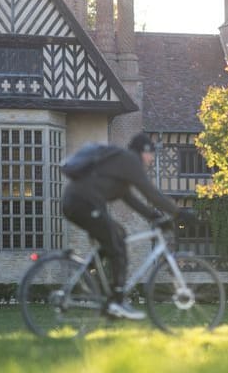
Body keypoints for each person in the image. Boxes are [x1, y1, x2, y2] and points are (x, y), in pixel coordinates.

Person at [61, 133, 183, 320]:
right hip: (82, 204)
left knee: (119, 234)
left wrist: (156, 217)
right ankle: (116, 301)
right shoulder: (130, 160)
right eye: (151, 154)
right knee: (117, 246)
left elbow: (132, 200)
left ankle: (90, 274)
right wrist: (178, 213)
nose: (152, 159)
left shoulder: (121, 168)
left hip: (78, 203)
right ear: (144, 151)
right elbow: (150, 192)